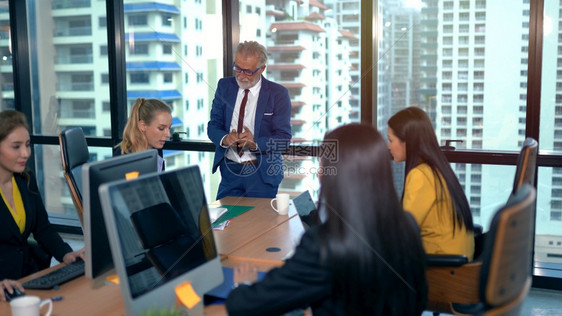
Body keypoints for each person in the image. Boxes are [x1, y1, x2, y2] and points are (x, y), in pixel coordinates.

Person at [225, 124, 428, 315]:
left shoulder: (323, 245)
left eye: (324, 165)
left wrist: (242, 283)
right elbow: (419, 298)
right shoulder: (408, 225)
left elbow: (249, 305)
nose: (321, 173)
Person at [0, 110, 84, 286]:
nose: (25, 153)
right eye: (16, 146)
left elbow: (43, 229)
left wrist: (66, 254)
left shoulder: (25, 179)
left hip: (27, 280)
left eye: (28, 145)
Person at [387, 106, 475, 260]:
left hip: (443, 267)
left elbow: (402, 234)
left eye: (390, 140)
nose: (388, 146)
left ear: (407, 142)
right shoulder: (436, 167)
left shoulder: (420, 175)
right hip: (458, 261)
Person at [208, 40, 291, 200]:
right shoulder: (224, 86)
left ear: (262, 69)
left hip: (262, 175)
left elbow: (284, 139)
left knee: (261, 224)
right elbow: (213, 125)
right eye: (237, 69)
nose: (241, 75)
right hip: (230, 171)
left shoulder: (278, 93)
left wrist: (256, 143)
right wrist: (225, 138)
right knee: (225, 222)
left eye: (248, 71)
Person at [115, 97, 172, 171]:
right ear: (143, 126)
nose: (168, 134)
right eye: (161, 128)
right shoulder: (122, 157)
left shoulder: (156, 151)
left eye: (169, 128)